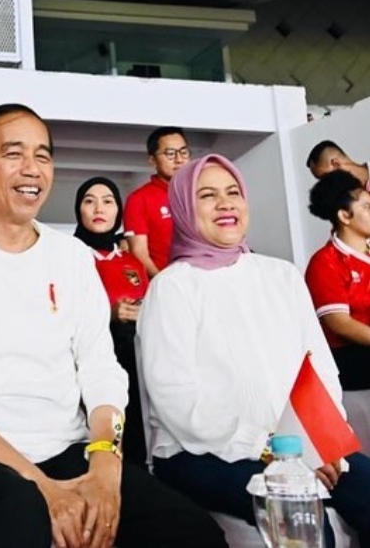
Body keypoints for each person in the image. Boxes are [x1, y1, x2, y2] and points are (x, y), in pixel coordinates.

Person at [0, 103, 224, 548]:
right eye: (14, 153)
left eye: (43, 155)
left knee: (191, 532)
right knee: (19, 515)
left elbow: (101, 370)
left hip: (68, 448)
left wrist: (106, 466)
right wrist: (42, 486)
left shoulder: (70, 257)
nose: (32, 169)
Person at [138, 153, 370, 548]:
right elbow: (176, 402)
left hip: (298, 441)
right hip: (199, 452)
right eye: (207, 195)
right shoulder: (173, 287)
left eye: (233, 192)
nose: (225, 203)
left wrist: (320, 441)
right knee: (302, 513)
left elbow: (319, 369)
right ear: (182, 208)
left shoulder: (280, 275)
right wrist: (271, 450)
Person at [72, 177, 149, 466]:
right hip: (88, 363)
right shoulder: (71, 256)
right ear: (78, 209)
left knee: (134, 438)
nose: (98, 208)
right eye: (89, 201)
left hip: (134, 360)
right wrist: (110, 313)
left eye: (107, 201)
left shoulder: (131, 261)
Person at [306, 170, 370, 389]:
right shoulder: (325, 262)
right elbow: (340, 324)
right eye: (367, 207)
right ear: (344, 216)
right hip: (350, 359)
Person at [124, 126, 191, 278]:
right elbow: (139, 252)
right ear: (153, 160)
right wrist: (162, 282)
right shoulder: (139, 199)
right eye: (170, 154)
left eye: (184, 152)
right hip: (165, 283)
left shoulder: (199, 193)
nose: (179, 159)